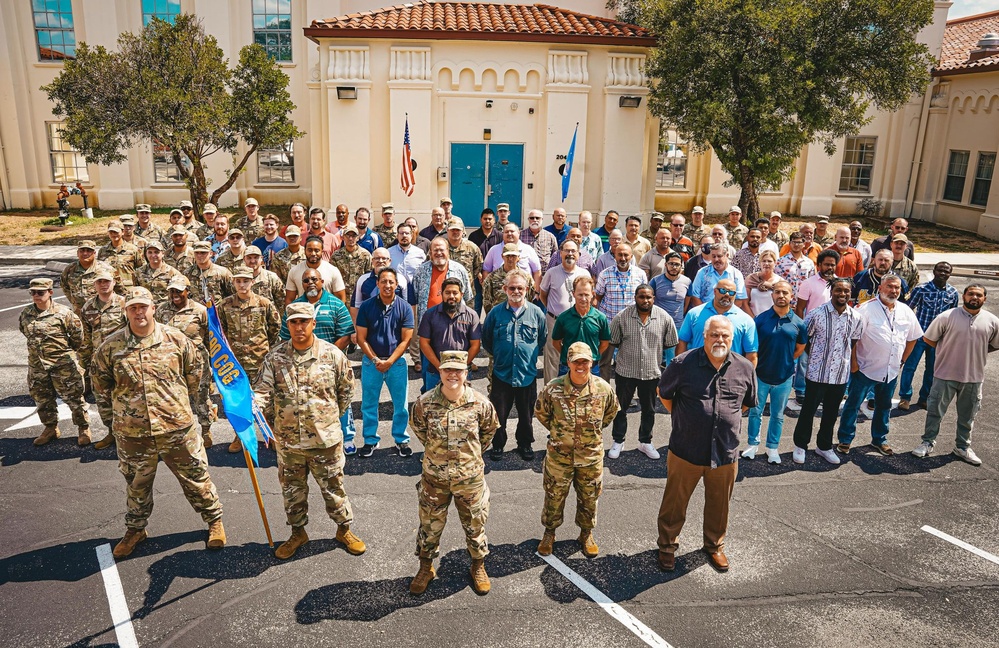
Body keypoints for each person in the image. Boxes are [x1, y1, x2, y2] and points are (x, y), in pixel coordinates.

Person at [92, 286, 225, 558]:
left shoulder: (176, 340)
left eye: (143, 306)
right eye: (133, 308)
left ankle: (214, 521)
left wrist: (184, 407)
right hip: (133, 432)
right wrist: (117, 420)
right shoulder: (111, 346)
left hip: (177, 428)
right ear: (126, 311)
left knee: (197, 479)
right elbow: (101, 386)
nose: (139, 312)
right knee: (136, 484)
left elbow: (196, 376)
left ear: (153, 308)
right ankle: (136, 530)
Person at [254, 301, 367, 560]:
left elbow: (345, 393)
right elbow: (262, 392)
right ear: (288, 325)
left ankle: (343, 530)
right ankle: (297, 533)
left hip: (324, 440)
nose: (299, 327)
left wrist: (325, 420)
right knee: (292, 492)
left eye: (304, 321)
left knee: (334, 489)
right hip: (289, 443)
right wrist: (251, 408)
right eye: (293, 322)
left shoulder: (333, 355)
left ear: (313, 324)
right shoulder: (275, 357)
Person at [656, 316, 757, 573]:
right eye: (714, 335)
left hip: (725, 451)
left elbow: (745, 404)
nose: (719, 340)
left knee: (719, 504)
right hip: (685, 450)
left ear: (732, 339)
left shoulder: (745, 368)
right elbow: (665, 395)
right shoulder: (682, 363)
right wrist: (686, 419)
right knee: (674, 504)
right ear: (704, 336)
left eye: (725, 335)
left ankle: (714, 546)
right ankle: (667, 546)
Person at [409, 351, 499, 596]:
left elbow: (488, 433)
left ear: (466, 373)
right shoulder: (424, 403)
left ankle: (478, 566)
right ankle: (426, 568)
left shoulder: (481, 403)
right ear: (439, 372)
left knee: (475, 524)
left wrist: (468, 459)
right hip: (434, 481)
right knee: (429, 526)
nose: (452, 375)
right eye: (447, 369)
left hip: (469, 480)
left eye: (457, 370)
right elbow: (419, 430)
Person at [535, 342, 619, 558]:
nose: (580, 365)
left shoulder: (603, 389)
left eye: (585, 361)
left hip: (590, 457)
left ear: (592, 362)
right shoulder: (552, 389)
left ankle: (586, 533)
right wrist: (560, 432)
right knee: (554, 496)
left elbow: (610, 413)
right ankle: (549, 533)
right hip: (559, 457)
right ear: (568, 363)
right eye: (576, 361)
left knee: (589, 497)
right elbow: (542, 414)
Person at [836, 275, 922, 457]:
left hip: (890, 371)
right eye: (890, 287)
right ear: (880, 288)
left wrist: (902, 360)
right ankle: (845, 439)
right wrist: (853, 364)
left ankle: (879, 440)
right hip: (865, 369)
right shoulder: (865, 309)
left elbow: (913, 337)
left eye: (897, 288)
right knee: (853, 405)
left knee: (884, 406)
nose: (894, 291)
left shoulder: (906, 311)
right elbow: (852, 338)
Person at [912, 284, 999, 466]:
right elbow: (929, 338)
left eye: (978, 295)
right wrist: (948, 351)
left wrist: (977, 352)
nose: (974, 297)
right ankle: (927, 442)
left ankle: (962, 447)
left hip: (974, 377)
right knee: (935, 412)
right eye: (970, 294)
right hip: (945, 374)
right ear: (964, 296)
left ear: (984, 299)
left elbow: (994, 344)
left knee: (968, 415)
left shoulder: (992, 321)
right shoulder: (947, 316)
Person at [791, 278, 862, 465]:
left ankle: (824, 447)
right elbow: (805, 340)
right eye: (838, 290)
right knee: (808, 411)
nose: (842, 294)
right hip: (817, 373)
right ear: (831, 292)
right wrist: (816, 357)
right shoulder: (816, 314)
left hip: (839, 375)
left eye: (846, 291)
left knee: (831, 413)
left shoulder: (856, 317)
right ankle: (800, 445)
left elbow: (852, 342)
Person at [482, 270, 546, 461]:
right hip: (502, 373)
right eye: (512, 288)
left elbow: (541, 339)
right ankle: (498, 445)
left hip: (526, 373)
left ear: (527, 289)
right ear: (505, 289)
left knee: (526, 414)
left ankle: (525, 444)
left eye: (520, 288)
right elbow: (487, 340)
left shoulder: (536, 313)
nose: (516, 291)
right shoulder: (495, 313)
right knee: (499, 414)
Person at [608, 285, 678, 460]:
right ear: (635, 297)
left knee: (649, 410)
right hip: (625, 372)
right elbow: (613, 342)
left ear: (654, 298)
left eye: (648, 297)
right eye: (641, 297)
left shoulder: (664, 318)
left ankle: (645, 442)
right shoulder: (622, 317)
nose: (645, 300)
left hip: (651, 373)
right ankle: (618, 441)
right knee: (620, 409)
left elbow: (671, 345)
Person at [19, 277, 91, 447]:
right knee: (42, 398)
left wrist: (63, 352)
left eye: (40, 292)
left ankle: (83, 428)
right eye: (33, 292)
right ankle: (50, 428)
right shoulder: (26, 313)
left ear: (50, 292)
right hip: (37, 365)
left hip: (62, 364)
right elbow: (24, 331)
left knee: (74, 398)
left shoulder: (63, 313)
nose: (36, 295)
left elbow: (77, 337)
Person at [219, 266, 281, 453]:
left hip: (259, 360)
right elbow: (221, 332)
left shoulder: (264, 304)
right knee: (238, 401)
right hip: (235, 362)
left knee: (266, 401)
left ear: (252, 282)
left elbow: (274, 327)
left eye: (245, 280)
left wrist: (264, 348)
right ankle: (240, 436)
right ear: (233, 283)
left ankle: (271, 435)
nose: (242, 284)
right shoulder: (225, 305)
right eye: (238, 281)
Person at [742, 281, 806, 464]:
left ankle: (772, 448)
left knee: (778, 415)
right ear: (772, 295)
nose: (781, 296)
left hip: (784, 378)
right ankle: (752, 445)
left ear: (791, 296)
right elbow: (752, 347)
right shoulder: (760, 320)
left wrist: (785, 361)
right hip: (760, 375)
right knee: (755, 412)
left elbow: (800, 348)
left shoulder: (799, 323)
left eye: (785, 292)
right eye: (777, 292)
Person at [355, 268, 414, 458]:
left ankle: (401, 439)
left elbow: (406, 340)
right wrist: (375, 359)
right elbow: (361, 338)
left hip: (396, 363)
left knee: (401, 405)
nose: (387, 285)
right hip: (371, 363)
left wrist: (389, 361)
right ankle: (370, 440)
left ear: (396, 285)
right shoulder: (366, 306)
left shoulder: (404, 307)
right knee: (369, 404)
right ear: (378, 284)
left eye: (391, 282)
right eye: (384, 282)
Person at [155, 275, 215, 448]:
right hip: (170, 362)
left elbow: (210, 337)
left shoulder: (200, 310)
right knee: (173, 398)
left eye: (179, 291)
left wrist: (211, 364)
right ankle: (179, 433)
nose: (175, 295)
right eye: (172, 291)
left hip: (197, 362)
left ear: (187, 292)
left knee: (201, 397)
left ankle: (205, 430)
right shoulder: (161, 310)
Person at [898, 262, 959, 410]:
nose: (943, 274)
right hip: (919, 336)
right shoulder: (921, 289)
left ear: (950, 274)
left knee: (932, 369)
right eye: (940, 270)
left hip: (938, 339)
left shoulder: (953, 293)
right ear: (934, 271)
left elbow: (953, 317)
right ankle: (905, 397)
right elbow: (908, 309)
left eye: (946, 271)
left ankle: (924, 398)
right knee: (909, 367)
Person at [79, 271, 127, 448]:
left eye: (106, 281)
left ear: (114, 283)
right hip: (98, 363)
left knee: (126, 399)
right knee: (103, 400)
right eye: (99, 282)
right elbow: (85, 338)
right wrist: (84, 363)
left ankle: (128, 436)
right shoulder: (88, 307)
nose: (103, 284)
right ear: (95, 285)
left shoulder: (124, 304)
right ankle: (111, 433)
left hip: (121, 361)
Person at [593, 242, 648, 378]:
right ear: (615, 256)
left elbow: (643, 299)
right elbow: (598, 297)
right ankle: (606, 393)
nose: (622, 258)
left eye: (625, 255)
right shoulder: (605, 274)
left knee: (628, 362)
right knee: (604, 362)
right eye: (619, 255)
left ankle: (623, 393)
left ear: (631, 256)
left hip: (631, 325)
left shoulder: (640, 274)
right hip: (609, 325)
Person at [418, 278, 482, 392]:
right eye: (447, 293)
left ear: (461, 294)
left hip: (462, 372)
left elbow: (476, 345)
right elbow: (424, 343)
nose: (451, 296)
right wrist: (440, 368)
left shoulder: (472, 315)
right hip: (435, 371)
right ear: (441, 294)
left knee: (462, 407)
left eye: (455, 293)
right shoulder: (430, 314)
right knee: (433, 407)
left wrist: (460, 367)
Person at [539, 240, 589, 383]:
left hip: (577, 321)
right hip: (554, 320)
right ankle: (551, 391)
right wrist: (553, 309)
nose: (570, 254)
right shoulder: (551, 272)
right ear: (560, 253)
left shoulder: (584, 274)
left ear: (578, 254)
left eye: (573, 251)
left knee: (578, 355)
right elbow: (543, 294)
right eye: (566, 250)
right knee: (552, 357)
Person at [677, 279, 759, 364]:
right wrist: (681, 369)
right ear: (715, 291)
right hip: (697, 369)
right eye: (723, 290)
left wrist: (746, 376)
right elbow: (682, 342)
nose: (727, 295)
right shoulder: (694, 314)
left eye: (731, 293)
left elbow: (751, 353)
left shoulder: (746, 320)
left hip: (731, 373)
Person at [551, 276, 611, 376]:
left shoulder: (601, 318)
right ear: (573, 294)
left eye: (586, 295)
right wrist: (568, 355)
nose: (583, 299)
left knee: (592, 392)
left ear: (592, 294)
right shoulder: (563, 318)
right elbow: (556, 342)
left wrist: (593, 355)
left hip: (592, 367)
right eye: (580, 295)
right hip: (567, 367)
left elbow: (604, 342)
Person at [649, 252, 690, 364]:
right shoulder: (656, 281)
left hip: (677, 324)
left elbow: (688, 299)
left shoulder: (687, 281)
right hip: (658, 323)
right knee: (654, 355)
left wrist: (682, 313)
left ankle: (668, 380)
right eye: (671, 264)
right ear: (666, 265)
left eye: (677, 264)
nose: (674, 267)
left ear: (681, 266)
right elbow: (648, 299)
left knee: (672, 356)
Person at [61, 240, 123, 314]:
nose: (85, 253)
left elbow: (119, 289)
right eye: (82, 250)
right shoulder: (69, 269)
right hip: (79, 313)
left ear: (94, 253)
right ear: (77, 253)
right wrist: (74, 302)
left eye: (89, 251)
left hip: (101, 312)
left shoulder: (106, 269)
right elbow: (64, 286)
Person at [285, 235, 347, 304]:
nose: (313, 253)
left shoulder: (333, 271)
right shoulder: (294, 271)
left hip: (326, 312)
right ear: (304, 251)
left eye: (317, 250)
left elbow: (341, 299)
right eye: (310, 250)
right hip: (303, 312)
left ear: (322, 252)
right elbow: (289, 300)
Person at [482, 243, 537, 314]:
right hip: (499, 316)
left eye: (513, 256)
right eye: (507, 256)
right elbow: (487, 301)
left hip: (521, 315)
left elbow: (530, 297)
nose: (510, 259)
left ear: (518, 257)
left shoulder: (526, 277)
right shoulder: (492, 277)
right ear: (502, 256)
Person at [688, 243, 748, 308]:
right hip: (705, 312)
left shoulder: (736, 274)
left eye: (719, 256)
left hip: (728, 314)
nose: (716, 259)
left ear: (727, 255)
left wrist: (724, 314)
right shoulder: (702, 272)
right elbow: (695, 296)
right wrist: (706, 312)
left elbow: (739, 300)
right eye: (713, 256)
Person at [482, 223, 542, 287]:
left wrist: (537, 293)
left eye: (512, 231)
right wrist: (486, 288)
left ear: (519, 233)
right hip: (499, 293)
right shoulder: (494, 250)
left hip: (523, 293)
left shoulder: (528, 249)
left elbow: (537, 272)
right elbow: (486, 271)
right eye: (506, 232)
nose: (509, 234)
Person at [331, 225, 372, 309]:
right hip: (342, 297)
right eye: (348, 235)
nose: (350, 238)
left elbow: (369, 276)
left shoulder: (365, 255)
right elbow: (332, 277)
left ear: (357, 238)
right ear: (343, 237)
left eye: (353, 236)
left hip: (360, 297)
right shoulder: (336, 255)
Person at [183, 240, 232, 306]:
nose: (199, 255)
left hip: (215, 313)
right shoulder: (187, 273)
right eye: (197, 253)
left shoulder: (222, 272)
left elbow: (233, 294)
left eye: (203, 253)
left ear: (211, 253)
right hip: (196, 312)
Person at [99, 220, 143, 287]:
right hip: (109, 288)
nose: (114, 234)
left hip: (128, 288)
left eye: (116, 232)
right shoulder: (103, 251)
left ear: (122, 232)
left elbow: (141, 269)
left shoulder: (133, 250)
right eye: (111, 232)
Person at [775, 232, 816, 304]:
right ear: (790, 243)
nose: (796, 245)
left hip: (804, 302)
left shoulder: (809, 263)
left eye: (799, 242)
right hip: (785, 301)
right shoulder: (780, 262)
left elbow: (812, 283)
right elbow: (777, 282)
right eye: (794, 242)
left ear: (804, 244)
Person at [244, 245, 285, 316]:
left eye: (256, 257)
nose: (252, 261)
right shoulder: (239, 279)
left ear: (261, 259)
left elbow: (282, 303)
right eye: (249, 258)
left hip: (268, 322)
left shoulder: (271, 278)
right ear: (244, 259)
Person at [445, 217, 484, 291]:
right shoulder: (440, 246)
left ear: (463, 231)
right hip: (445, 292)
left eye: (458, 230)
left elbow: (478, 267)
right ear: (447, 230)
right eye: (453, 229)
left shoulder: (472, 247)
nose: (455, 232)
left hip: (467, 292)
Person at [522, 209, 559, 276]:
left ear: (542, 219)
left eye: (537, 218)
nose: (535, 220)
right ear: (528, 219)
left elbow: (555, 256)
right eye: (532, 218)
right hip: (526, 275)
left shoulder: (550, 236)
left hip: (545, 275)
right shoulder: (520, 236)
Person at [744, 250, 780, 316]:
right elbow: (745, 303)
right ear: (759, 263)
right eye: (764, 261)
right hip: (753, 319)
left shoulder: (779, 282)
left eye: (769, 261)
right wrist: (754, 320)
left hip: (772, 320)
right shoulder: (751, 279)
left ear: (775, 263)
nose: (766, 263)